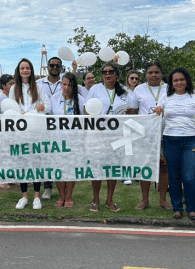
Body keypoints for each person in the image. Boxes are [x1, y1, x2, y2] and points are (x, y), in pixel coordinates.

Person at [154, 67, 195, 220]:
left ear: (187, 81)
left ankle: (191, 209)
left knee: (189, 177)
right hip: (170, 139)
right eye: (175, 80)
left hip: (190, 140)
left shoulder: (194, 97)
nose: (179, 82)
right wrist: (158, 110)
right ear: (171, 82)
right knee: (174, 177)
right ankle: (177, 208)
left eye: (181, 79)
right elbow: (158, 118)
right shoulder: (165, 97)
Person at [86, 61, 134, 212]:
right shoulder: (95, 89)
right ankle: (95, 199)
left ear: (117, 75)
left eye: (110, 71)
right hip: (97, 135)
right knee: (97, 168)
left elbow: (132, 112)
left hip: (117, 136)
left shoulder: (125, 92)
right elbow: (86, 110)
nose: (107, 74)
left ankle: (109, 199)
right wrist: (96, 126)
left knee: (113, 169)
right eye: (104, 72)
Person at [9, 58, 51, 209]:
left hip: (36, 130)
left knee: (36, 162)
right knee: (22, 163)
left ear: (31, 70)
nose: (25, 70)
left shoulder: (38, 87)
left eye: (27, 68)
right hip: (20, 131)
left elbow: (48, 106)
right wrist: (28, 113)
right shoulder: (14, 89)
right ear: (18, 71)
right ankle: (24, 196)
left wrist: (36, 110)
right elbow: (11, 109)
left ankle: (36, 196)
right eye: (22, 68)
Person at [132, 61, 171, 211]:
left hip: (166, 133)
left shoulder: (169, 88)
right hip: (145, 135)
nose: (153, 75)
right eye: (150, 72)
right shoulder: (139, 90)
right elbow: (134, 112)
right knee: (145, 168)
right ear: (146, 75)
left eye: (156, 72)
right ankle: (145, 200)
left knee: (164, 168)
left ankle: (162, 200)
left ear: (161, 74)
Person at [49, 72, 83, 208]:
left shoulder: (80, 99)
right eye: (64, 84)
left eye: (69, 85)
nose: (66, 88)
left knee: (70, 170)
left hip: (74, 141)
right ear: (60, 85)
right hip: (56, 140)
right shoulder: (54, 98)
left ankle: (69, 196)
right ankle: (61, 196)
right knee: (58, 169)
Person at [37, 56, 65, 200]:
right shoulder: (38, 83)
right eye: (52, 65)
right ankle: (47, 187)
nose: (54, 68)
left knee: (60, 156)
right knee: (45, 156)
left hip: (61, 126)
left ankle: (64, 188)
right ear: (47, 66)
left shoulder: (66, 83)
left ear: (61, 68)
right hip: (43, 124)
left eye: (57, 66)